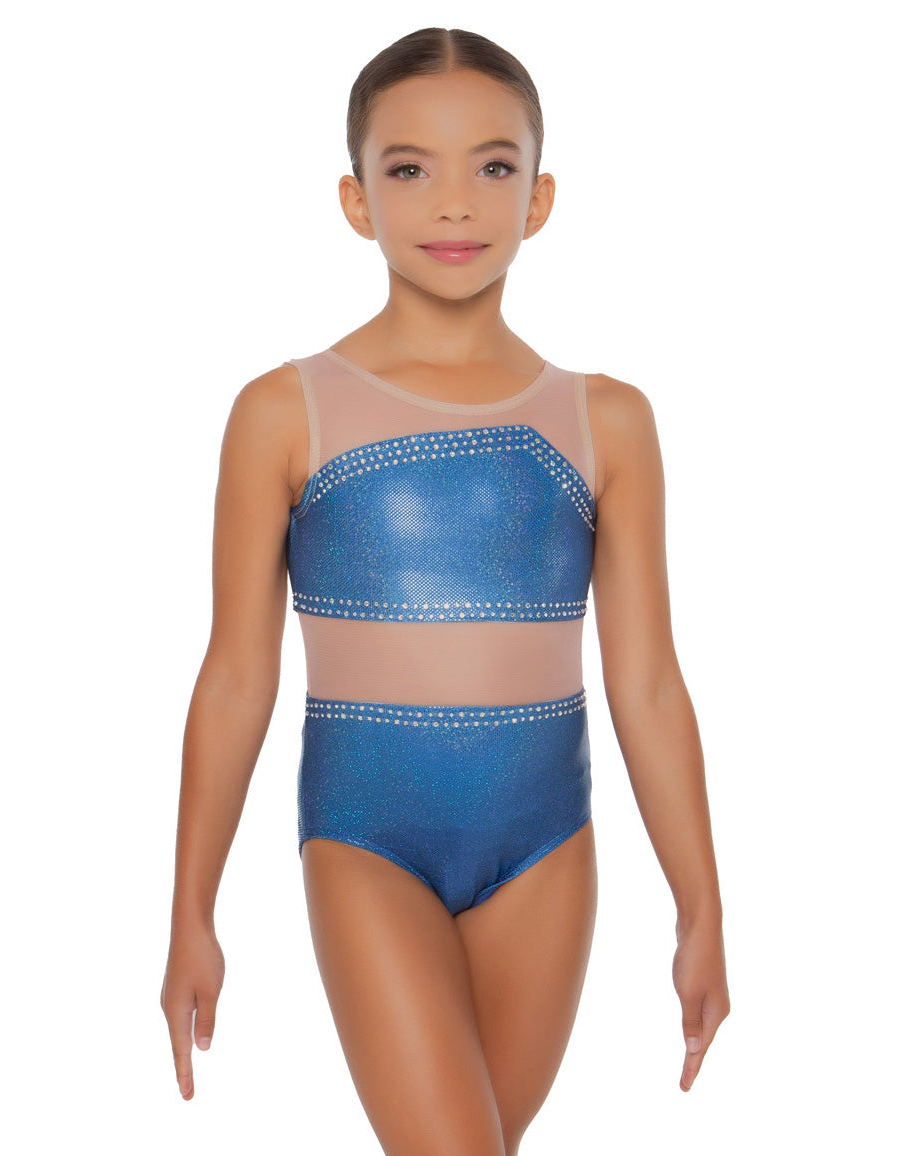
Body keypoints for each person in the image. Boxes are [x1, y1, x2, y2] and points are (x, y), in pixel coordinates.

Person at [160, 26, 729, 1154]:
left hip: (545, 847)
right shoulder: (283, 412)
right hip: (365, 835)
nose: (456, 202)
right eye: (410, 168)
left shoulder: (606, 420)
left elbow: (650, 685)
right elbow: (233, 678)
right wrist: (191, 909)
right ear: (356, 200)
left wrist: (700, 904)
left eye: (494, 165)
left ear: (540, 197)